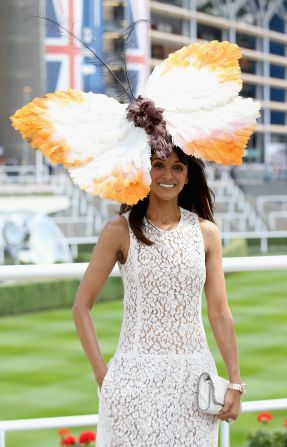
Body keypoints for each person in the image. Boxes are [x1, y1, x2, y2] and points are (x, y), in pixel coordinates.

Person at [72, 145, 245, 446]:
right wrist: (104, 377)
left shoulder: (206, 233)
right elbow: (81, 306)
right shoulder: (119, 230)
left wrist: (235, 383)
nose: (168, 175)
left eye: (178, 167)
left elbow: (219, 313)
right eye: (158, 165)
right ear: (144, 170)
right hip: (133, 383)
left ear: (188, 175)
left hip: (193, 382)